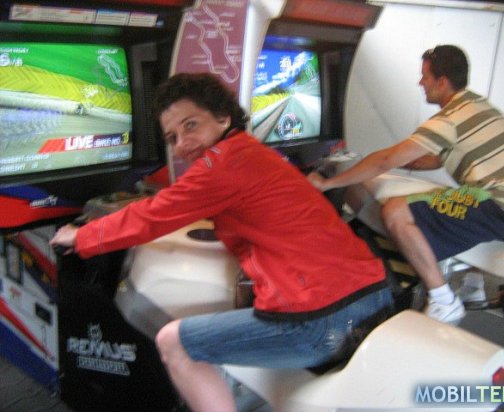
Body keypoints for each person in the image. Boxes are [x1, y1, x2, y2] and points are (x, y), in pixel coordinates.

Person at [50, 72, 392, 412]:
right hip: (371, 297)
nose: (183, 143)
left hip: (320, 319)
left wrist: (81, 235)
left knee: (175, 343)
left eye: (191, 125)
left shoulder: (222, 164)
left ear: (223, 118)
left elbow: (153, 214)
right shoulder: (251, 152)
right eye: (172, 137)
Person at [308, 45, 504, 324]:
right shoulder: (475, 105)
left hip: (501, 209)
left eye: (425, 77)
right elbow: (431, 160)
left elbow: (385, 161)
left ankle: (442, 299)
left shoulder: (450, 119)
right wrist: (387, 163)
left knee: (395, 210)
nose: (420, 83)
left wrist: (329, 182)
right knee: (453, 196)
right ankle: (473, 287)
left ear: (442, 82)